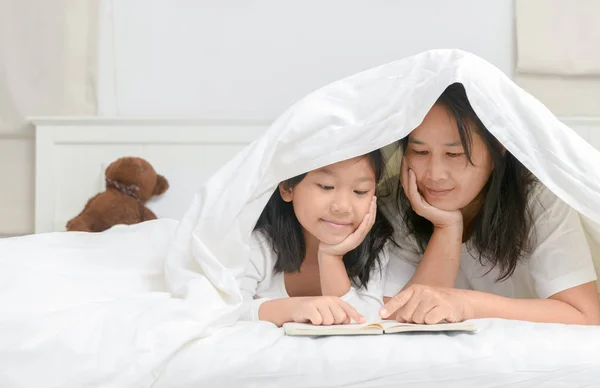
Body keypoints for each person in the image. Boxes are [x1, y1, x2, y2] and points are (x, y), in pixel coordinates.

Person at [380, 83, 600, 326]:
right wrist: (447, 227)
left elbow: (585, 314)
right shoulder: (399, 199)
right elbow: (395, 316)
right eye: (420, 152)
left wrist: (466, 304)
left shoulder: (538, 197)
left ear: (498, 147)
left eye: (454, 154)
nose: (434, 174)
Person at [240, 150, 396, 326]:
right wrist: (295, 308)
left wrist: (331, 258)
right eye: (326, 186)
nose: (343, 206)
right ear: (287, 187)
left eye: (360, 191)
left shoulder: (374, 244)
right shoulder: (259, 245)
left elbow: (367, 321)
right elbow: (226, 311)